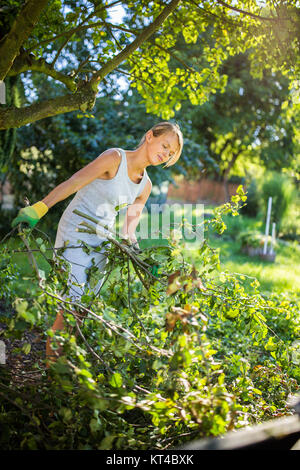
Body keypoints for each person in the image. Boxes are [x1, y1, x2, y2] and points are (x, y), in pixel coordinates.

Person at [12, 121, 184, 363]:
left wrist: (142, 260)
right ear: (149, 136)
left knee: (82, 310)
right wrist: (39, 208)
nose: (165, 153)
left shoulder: (145, 186)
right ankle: (52, 370)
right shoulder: (115, 158)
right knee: (71, 306)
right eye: (164, 145)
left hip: (102, 243)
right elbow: (74, 182)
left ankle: (63, 363)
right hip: (76, 231)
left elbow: (127, 232)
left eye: (170, 152)